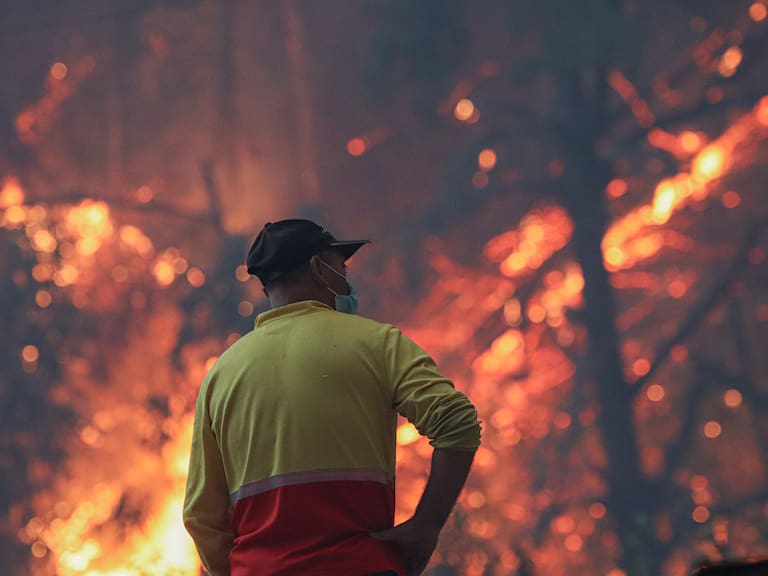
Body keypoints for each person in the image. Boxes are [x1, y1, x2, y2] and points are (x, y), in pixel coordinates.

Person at [183, 219, 481, 576]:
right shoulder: (377, 343)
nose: (346, 277)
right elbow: (458, 422)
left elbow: (201, 515)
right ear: (317, 269)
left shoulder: (221, 375)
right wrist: (426, 526)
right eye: (341, 266)